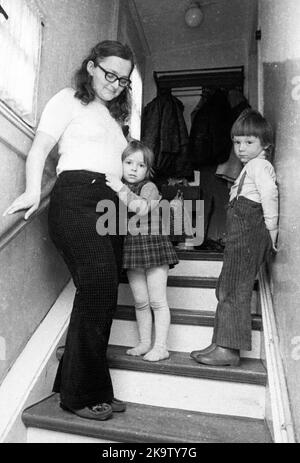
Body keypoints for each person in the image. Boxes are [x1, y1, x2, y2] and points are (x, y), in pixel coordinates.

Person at [3, 40, 135, 420]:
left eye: (123, 80)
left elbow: (116, 171)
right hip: (77, 197)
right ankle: (78, 397)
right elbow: (42, 147)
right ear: (91, 66)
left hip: (110, 202)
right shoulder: (67, 99)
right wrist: (32, 190)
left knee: (105, 294)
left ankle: (83, 384)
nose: (114, 83)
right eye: (109, 73)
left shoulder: (112, 119)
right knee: (96, 287)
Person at [190, 109, 278, 366]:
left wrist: (272, 228)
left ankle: (228, 350)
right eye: (237, 142)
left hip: (250, 234)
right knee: (225, 288)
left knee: (235, 290)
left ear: (265, 145)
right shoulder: (248, 168)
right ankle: (219, 342)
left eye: (249, 142)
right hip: (240, 236)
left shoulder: (261, 165)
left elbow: (270, 195)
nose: (241, 148)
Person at [105, 140, 179, 362]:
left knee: (157, 301)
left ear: (148, 170)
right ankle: (145, 342)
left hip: (154, 247)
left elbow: (142, 207)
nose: (134, 169)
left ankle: (161, 346)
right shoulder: (121, 187)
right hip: (133, 248)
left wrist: (119, 187)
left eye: (140, 165)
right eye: (129, 162)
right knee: (141, 301)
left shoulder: (148, 187)